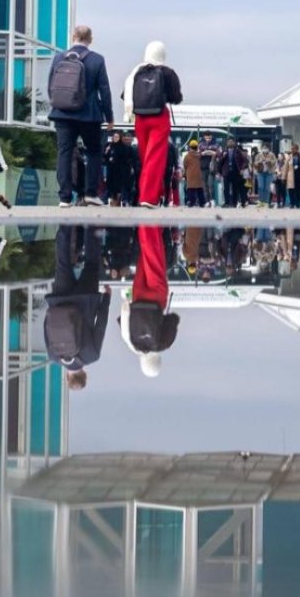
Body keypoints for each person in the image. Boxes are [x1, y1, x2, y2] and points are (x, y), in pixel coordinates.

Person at [48, 26, 114, 208]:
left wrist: (59, 105)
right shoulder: (97, 60)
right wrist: (109, 117)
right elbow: (104, 90)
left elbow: (50, 87)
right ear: (90, 39)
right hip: (89, 114)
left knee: (64, 153)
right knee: (93, 151)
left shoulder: (59, 58)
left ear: (73, 37)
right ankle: (91, 194)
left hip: (62, 113)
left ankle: (64, 198)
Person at [44, 224, 111, 390]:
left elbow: (101, 325)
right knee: (62, 262)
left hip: (86, 300)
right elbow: (47, 326)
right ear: (67, 376)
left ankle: (91, 224)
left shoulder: (92, 356)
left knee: (91, 264)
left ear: (85, 375)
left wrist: (106, 298)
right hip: (60, 301)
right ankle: (65, 225)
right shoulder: (53, 356)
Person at [122, 41, 183, 208]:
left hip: (140, 118)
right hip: (159, 117)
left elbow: (125, 95)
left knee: (144, 157)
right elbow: (176, 98)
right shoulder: (166, 72)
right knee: (155, 158)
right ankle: (149, 197)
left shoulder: (136, 72)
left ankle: (147, 194)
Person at [118, 224, 179, 377]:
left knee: (153, 255)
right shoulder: (133, 346)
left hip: (158, 299)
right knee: (144, 257)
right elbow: (122, 322)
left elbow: (174, 319)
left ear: (158, 361)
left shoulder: (163, 344)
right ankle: (148, 228)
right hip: (138, 298)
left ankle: (149, 224)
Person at [221, 137, 250, 208]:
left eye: (232, 141)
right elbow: (220, 163)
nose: (230, 143)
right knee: (226, 188)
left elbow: (245, 161)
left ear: (234, 143)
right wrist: (219, 172)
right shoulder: (224, 151)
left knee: (235, 188)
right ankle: (227, 202)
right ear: (227, 143)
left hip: (236, 172)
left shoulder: (238, 151)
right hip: (226, 172)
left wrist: (242, 169)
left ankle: (234, 202)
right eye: (229, 142)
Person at [198, 131, 221, 207]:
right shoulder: (200, 144)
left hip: (212, 168)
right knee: (204, 186)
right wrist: (203, 153)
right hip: (203, 167)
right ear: (204, 137)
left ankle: (212, 200)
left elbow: (219, 154)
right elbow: (197, 155)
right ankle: (207, 201)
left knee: (210, 185)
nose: (208, 139)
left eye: (209, 138)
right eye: (207, 138)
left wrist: (213, 153)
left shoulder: (216, 144)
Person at [182, 140, 205, 206]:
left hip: (190, 174)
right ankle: (202, 202)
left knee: (190, 189)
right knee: (199, 189)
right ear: (197, 147)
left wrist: (184, 174)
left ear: (190, 147)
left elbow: (185, 165)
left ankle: (192, 202)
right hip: (198, 174)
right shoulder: (199, 156)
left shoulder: (187, 156)